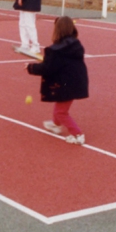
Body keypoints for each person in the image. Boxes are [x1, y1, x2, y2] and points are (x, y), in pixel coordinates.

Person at [26, 16, 89, 145]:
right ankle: (56, 125)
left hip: (65, 83)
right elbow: (58, 64)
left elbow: (48, 68)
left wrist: (30, 67)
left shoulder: (56, 50)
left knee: (61, 111)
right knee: (60, 104)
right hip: (76, 82)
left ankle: (77, 134)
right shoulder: (76, 45)